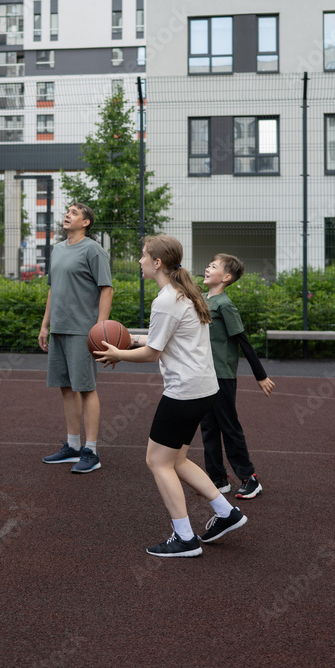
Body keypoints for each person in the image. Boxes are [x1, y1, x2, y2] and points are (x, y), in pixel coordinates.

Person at [97, 235, 247, 557]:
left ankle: (185, 538)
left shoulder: (165, 300)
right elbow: (165, 338)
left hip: (184, 393)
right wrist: (129, 340)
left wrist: (119, 353)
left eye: (143, 255)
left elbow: (153, 353)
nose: (140, 261)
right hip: (204, 389)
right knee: (176, 460)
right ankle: (227, 512)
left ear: (157, 262)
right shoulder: (185, 293)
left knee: (156, 461)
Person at [38, 202, 113, 474]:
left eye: (74, 213)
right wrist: (45, 325)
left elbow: (106, 289)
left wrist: (100, 328)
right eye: (67, 212)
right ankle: (72, 446)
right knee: (66, 387)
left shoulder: (94, 250)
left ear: (86, 222)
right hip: (58, 327)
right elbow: (52, 289)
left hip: (83, 329)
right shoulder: (57, 249)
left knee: (86, 387)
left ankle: (91, 450)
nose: (67, 215)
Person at [201, 254, 275, 498]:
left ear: (226, 277)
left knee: (228, 427)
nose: (207, 268)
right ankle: (218, 479)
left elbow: (242, 341)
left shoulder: (224, 305)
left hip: (222, 376)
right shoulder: (201, 300)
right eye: (209, 265)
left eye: (213, 266)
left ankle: (249, 477)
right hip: (203, 375)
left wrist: (260, 376)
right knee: (208, 428)